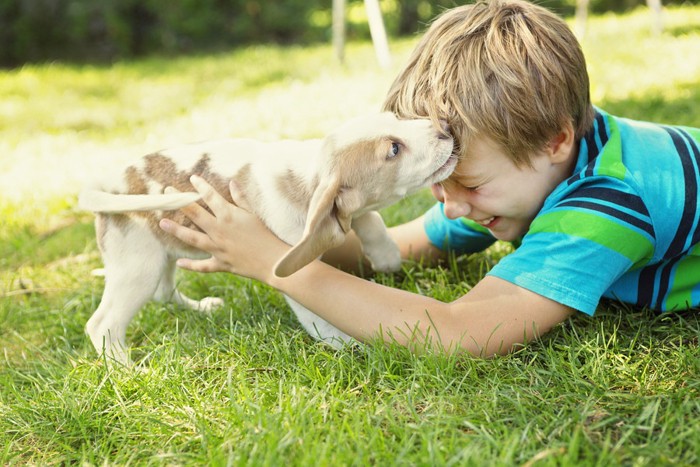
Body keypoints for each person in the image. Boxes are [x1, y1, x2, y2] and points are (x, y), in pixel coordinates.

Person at [158, 0, 700, 357]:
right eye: (440, 181)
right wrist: (281, 232)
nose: (453, 205)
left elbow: (461, 332)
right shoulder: (522, 167)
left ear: (555, 140)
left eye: (468, 183)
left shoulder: (607, 204)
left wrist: (278, 273)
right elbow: (397, 249)